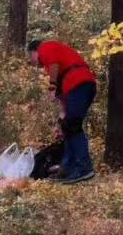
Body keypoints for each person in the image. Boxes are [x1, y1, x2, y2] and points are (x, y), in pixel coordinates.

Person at [27, 38, 97, 184]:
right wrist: (61, 117)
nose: (33, 62)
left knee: (72, 126)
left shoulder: (45, 47)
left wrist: (52, 86)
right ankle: (68, 168)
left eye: (30, 57)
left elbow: (54, 63)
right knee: (68, 125)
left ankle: (84, 168)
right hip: (81, 86)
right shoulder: (60, 67)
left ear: (34, 51)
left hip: (79, 84)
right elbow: (63, 97)